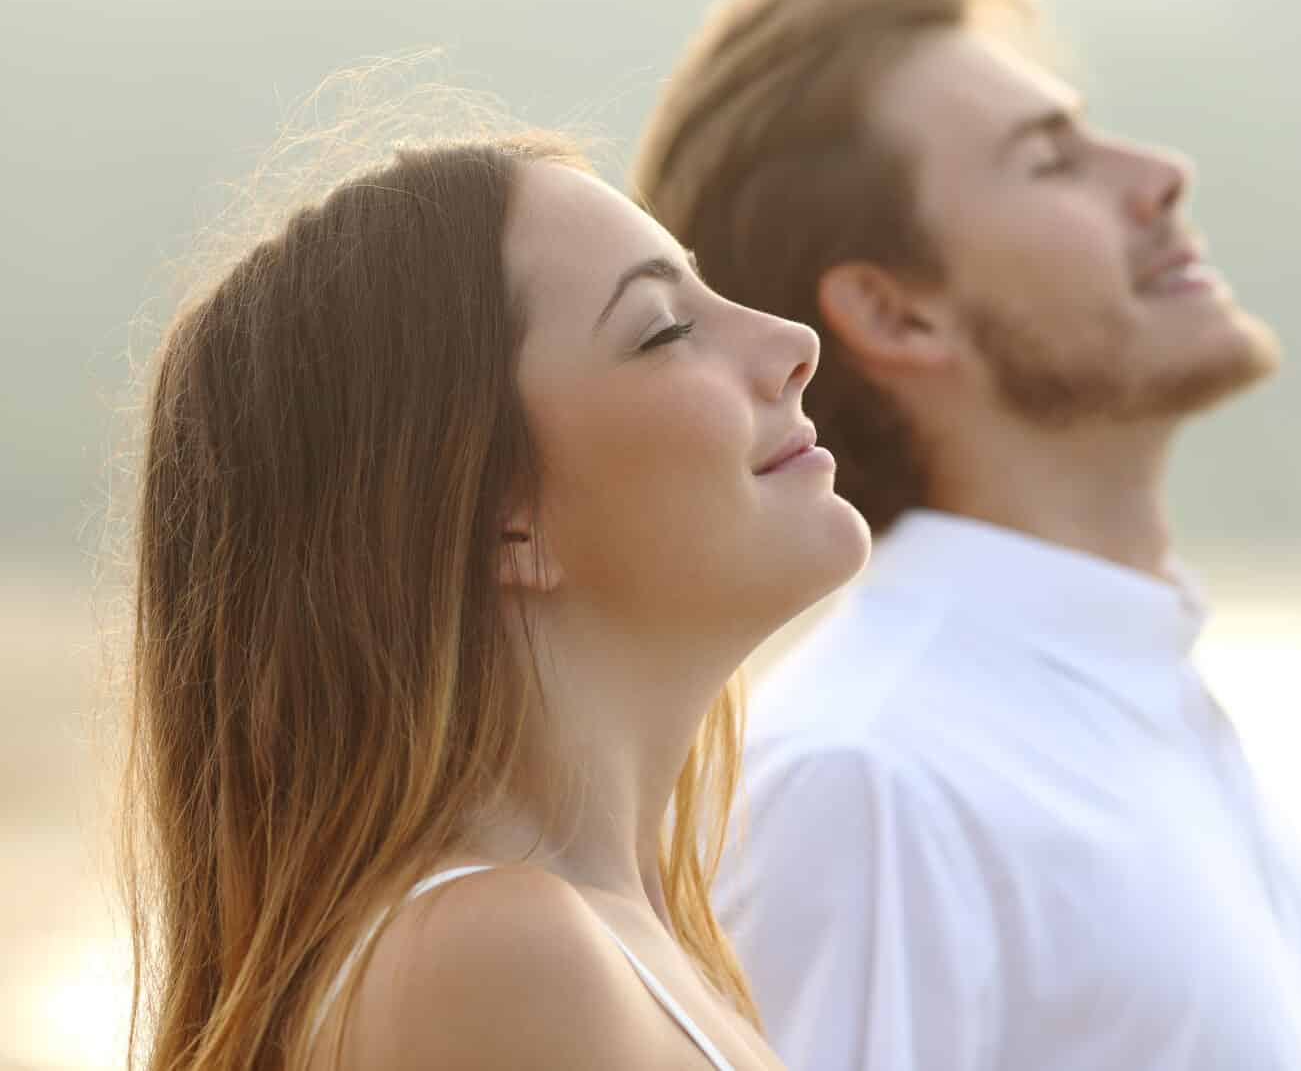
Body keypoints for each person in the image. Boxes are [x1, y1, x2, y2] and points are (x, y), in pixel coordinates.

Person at [633, 0, 1301, 1070]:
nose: (1159, 173)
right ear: (895, 314)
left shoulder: (1130, 701)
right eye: (1049, 159)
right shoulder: (871, 779)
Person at [119, 127, 869, 1071]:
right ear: (500, 520)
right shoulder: (493, 957)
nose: (793, 342)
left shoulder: (629, 945)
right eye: (666, 328)